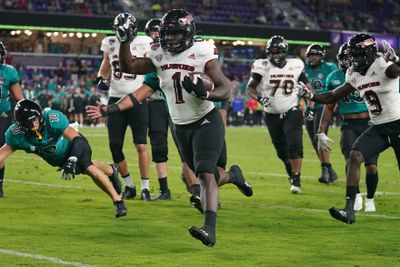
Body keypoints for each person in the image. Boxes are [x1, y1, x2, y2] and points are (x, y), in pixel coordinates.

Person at [86, 10, 253, 246]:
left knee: (205, 175)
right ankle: (234, 175)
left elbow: (225, 88)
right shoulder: (158, 55)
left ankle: (209, 229)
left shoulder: (202, 51)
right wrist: (125, 42)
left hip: (205, 119)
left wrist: (205, 93)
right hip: (180, 125)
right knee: (210, 175)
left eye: (175, 33)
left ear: (187, 32)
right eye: (167, 33)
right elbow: (129, 66)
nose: (171, 39)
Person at [297, 34, 400, 224]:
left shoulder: (381, 63)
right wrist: (310, 95)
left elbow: (395, 72)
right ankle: (349, 210)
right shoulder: (353, 73)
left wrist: (395, 59)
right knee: (355, 156)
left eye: (357, 55)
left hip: (397, 123)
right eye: (352, 55)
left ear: (369, 53)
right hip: (378, 126)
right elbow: (331, 97)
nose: (353, 60)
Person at [1, 99, 127, 217]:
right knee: (86, 167)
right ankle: (111, 170)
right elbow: (3, 153)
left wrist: (72, 159)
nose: (35, 123)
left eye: (36, 119)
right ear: (21, 125)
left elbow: (78, 140)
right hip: (59, 159)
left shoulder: (52, 119)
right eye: (30, 122)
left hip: (75, 147)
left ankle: (117, 201)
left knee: (87, 167)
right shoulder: (16, 135)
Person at [317, 43, 379, 212]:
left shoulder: (367, 74)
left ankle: (371, 198)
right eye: (345, 57)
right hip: (348, 125)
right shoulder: (334, 77)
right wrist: (321, 131)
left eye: (350, 57)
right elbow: (329, 106)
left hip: (369, 124)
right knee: (351, 161)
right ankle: (356, 195)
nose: (348, 61)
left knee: (372, 167)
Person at [96, 16, 153, 201]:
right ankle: (129, 184)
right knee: (115, 145)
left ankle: (145, 187)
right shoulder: (110, 42)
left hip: (137, 99)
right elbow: (105, 65)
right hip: (115, 98)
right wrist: (101, 78)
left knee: (141, 144)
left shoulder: (145, 42)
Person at [246, 35, 311, 194]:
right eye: (272, 52)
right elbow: (250, 88)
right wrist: (260, 98)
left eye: (278, 52)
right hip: (271, 114)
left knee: (295, 144)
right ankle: (290, 170)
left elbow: (308, 86)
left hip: (291, 110)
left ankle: (296, 178)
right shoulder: (262, 66)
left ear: (285, 51)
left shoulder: (295, 64)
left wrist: (308, 97)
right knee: (281, 150)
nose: (275, 55)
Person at [143, 18, 171, 200]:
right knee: (159, 145)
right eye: (152, 31)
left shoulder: (174, 49)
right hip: (156, 102)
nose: (155, 33)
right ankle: (164, 189)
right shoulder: (148, 52)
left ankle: (198, 189)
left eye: (158, 30)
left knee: (188, 147)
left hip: (177, 101)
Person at [304, 44, 339, 184]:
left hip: (324, 107)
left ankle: (325, 171)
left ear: (321, 56)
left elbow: (338, 86)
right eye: (312, 54)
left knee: (320, 138)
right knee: (314, 141)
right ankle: (329, 169)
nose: (314, 57)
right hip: (310, 107)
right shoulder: (303, 69)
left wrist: (335, 103)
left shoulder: (330, 68)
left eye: (317, 55)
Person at [0, 41, 24, 197]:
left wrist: (25, 112)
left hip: (2, 115)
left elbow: (18, 97)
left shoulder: (8, 71)